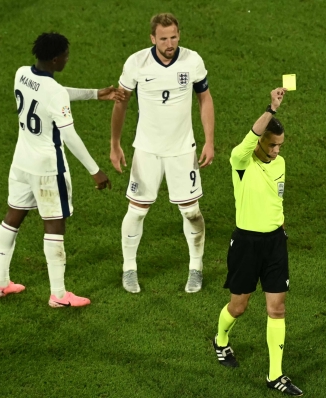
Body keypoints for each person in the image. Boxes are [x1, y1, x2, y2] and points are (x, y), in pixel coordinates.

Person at [0, 32, 116, 307]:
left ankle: (1, 282)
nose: (67, 59)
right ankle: (59, 295)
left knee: (13, 217)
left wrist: (95, 94)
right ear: (56, 58)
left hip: (21, 162)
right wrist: (96, 170)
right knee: (55, 225)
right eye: (66, 56)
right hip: (48, 169)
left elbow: (52, 93)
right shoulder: (54, 92)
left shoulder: (22, 73)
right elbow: (69, 135)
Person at [110, 13, 215, 294]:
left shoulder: (192, 61)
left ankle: (196, 267)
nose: (170, 43)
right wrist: (115, 143)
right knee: (137, 211)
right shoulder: (136, 63)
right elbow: (120, 104)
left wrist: (209, 141)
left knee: (191, 211)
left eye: (174, 37)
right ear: (152, 38)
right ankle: (129, 268)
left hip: (182, 150)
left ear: (179, 34)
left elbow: (204, 98)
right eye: (164, 38)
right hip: (147, 151)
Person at [212, 88, 302, 396]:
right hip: (247, 244)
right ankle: (221, 340)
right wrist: (271, 109)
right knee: (238, 307)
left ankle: (275, 375)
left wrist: (280, 228)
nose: (276, 151)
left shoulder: (281, 164)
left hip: (275, 243)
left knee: (277, 309)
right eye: (272, 144)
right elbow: (250, 136)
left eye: (280, 145)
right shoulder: (241, 161)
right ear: (260, 141)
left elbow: (276, 201)